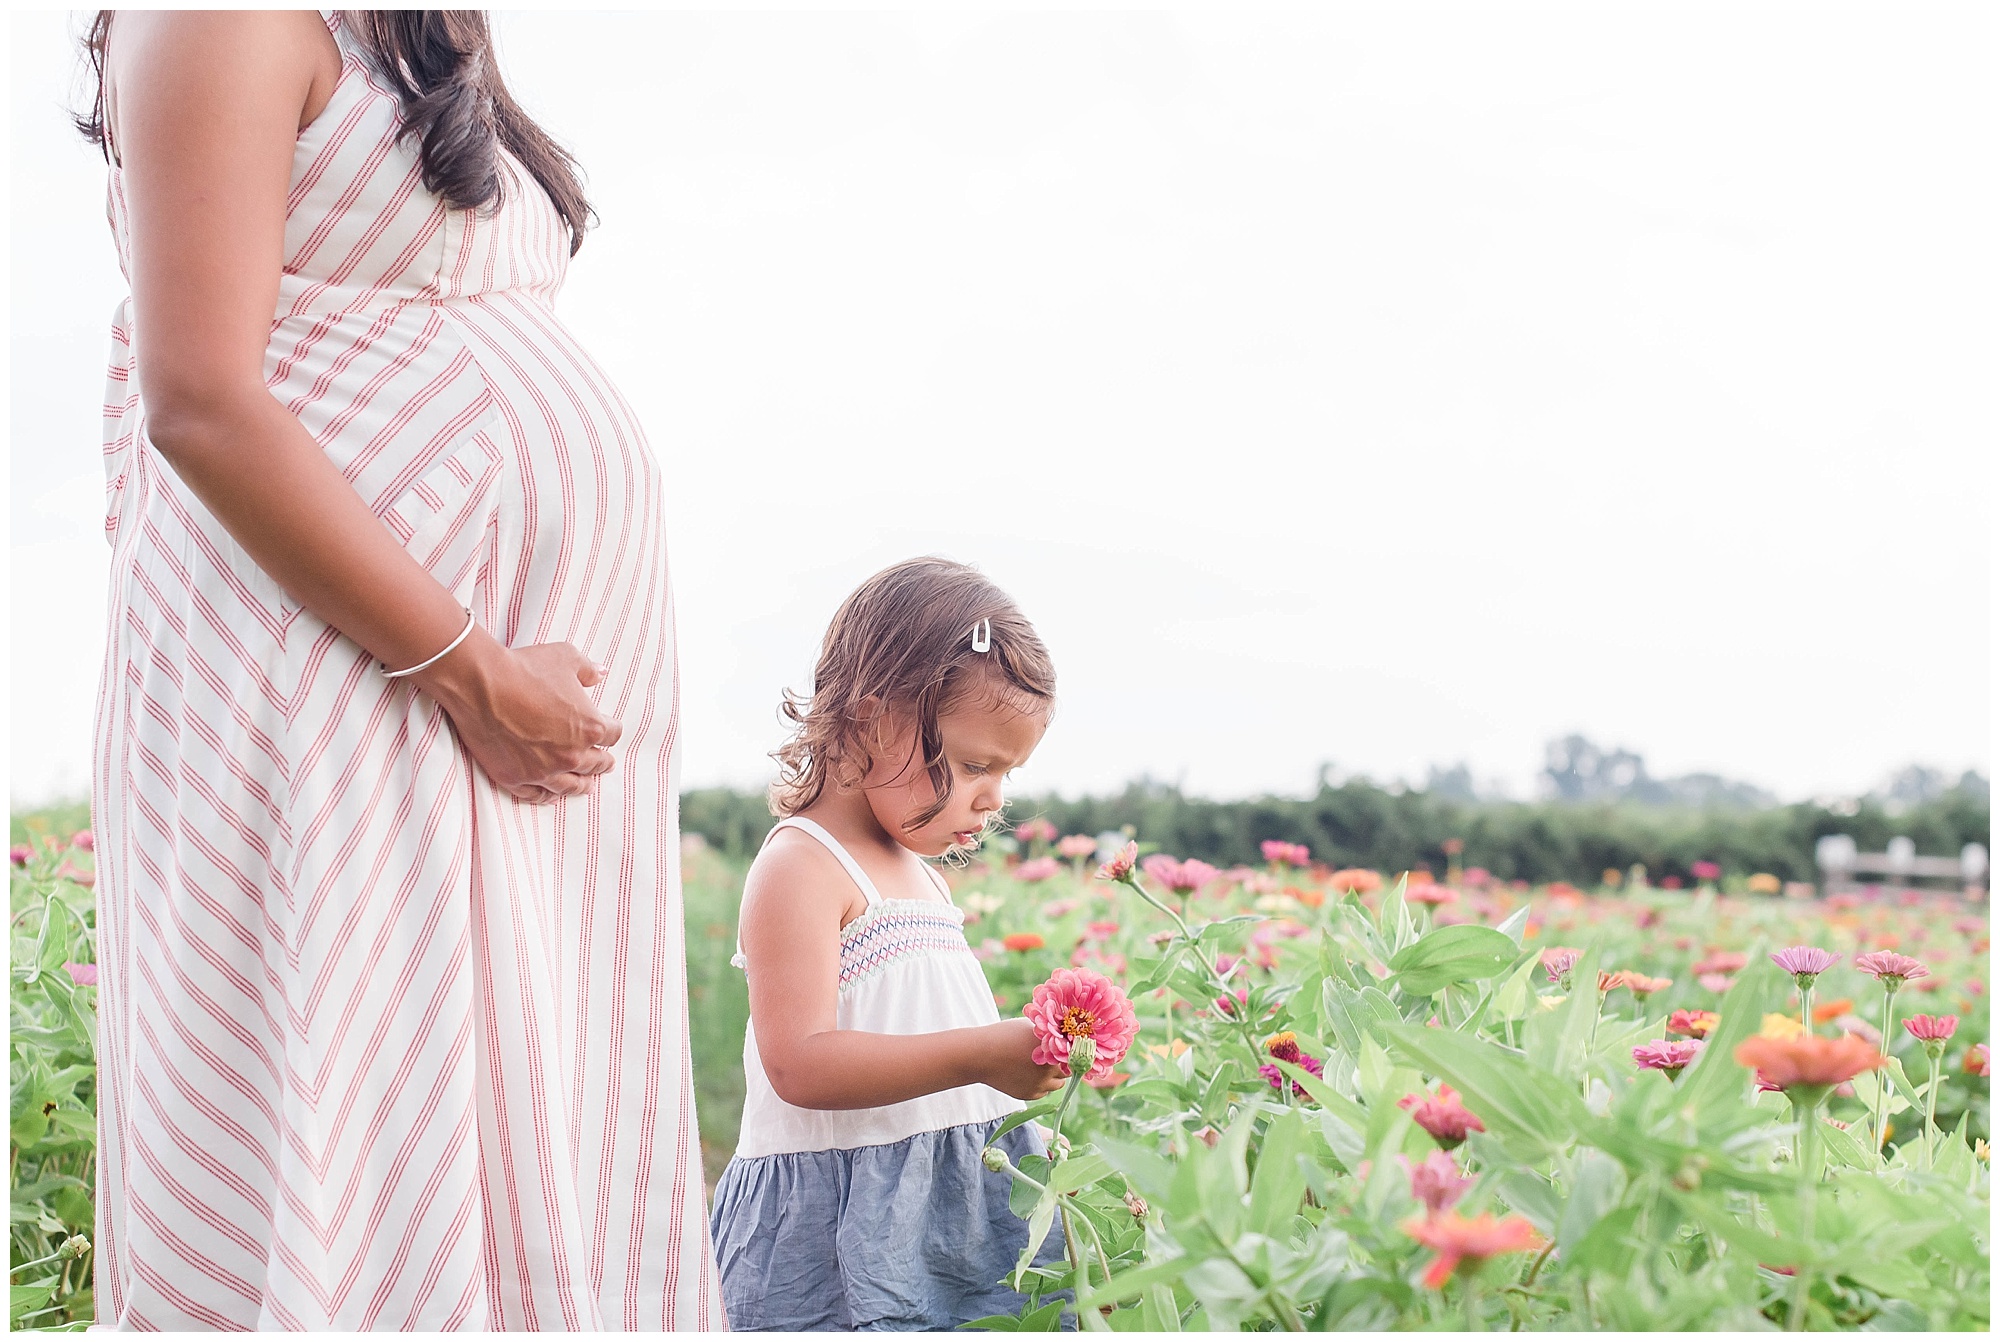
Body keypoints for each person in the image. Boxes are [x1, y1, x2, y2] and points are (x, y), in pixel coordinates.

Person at [77, 11, 719, 1328]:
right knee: (362, 1122)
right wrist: (471, 669)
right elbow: (198, 392)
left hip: (475, 717)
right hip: (354, 680)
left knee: (511, 1112)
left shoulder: (412, 19)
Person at [709, 558, 1072, 1330]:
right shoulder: (802, 867)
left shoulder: (918, 875)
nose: (994, 798)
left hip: (953, 1203)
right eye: (977, 764)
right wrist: (979, 1053)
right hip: (845, 1222)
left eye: (1006, 775)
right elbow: (799, 1063)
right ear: (876, 722)